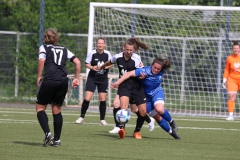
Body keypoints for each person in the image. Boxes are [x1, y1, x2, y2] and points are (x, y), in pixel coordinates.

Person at [111, 57, 181, 140]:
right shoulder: (144, 71)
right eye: (154, 67)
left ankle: (172, 123)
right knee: (157, 117)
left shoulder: (162, 71)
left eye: (158, 69)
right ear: (151, 65)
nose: (156, 70)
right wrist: (117, 83)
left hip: (156, 92)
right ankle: (172, 133)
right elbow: (129, 74)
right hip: (146, 96)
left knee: (159, 109)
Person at [99, 37, 154, 139]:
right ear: (123, 48)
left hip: (136, 86)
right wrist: (102, 67)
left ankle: (137, 131)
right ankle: (122, 129)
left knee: (141, 111)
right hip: (124, 85)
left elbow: (141, 72)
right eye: (127, 49)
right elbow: (110, 62)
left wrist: (142, 76)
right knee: (123, 107)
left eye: (131, 50)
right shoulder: (118, 57)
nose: (129, 52)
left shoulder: (136, 58)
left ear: (134, 50)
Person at [36, 28, 81, 147]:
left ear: (45, 38)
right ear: (56, 38)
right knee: (56, 110)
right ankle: (57, 140)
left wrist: (39, 75)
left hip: (50, 79)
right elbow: (77, 62)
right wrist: (76, 78)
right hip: (63, 81)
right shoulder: (64, 49)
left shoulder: (43, 47)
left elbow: (41, 60)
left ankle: (47, 133)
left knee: (40, 108)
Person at [75, 37, 112, 125]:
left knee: (102, 99)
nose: (100, 45)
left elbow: (111, 64)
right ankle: (81, 117)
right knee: (87, 98)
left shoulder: (107, 54)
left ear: (104, 45)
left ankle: (102, 119)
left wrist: (104, 67)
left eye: (102, 43)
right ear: (96, 44)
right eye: (99, 43)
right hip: (92, 78)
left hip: (103, 79)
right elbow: (86, 64)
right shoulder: (92, 53)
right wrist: (92, 67)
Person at [222, 41, 240, 121]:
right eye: (234, 48)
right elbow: (226, 70)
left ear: (239, 49)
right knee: (231, 96)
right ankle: (231, 115)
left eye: (237, 48)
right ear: (232, 49)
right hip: (232, 79)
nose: (236, 50)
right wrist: (224, 80)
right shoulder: (229, 58)